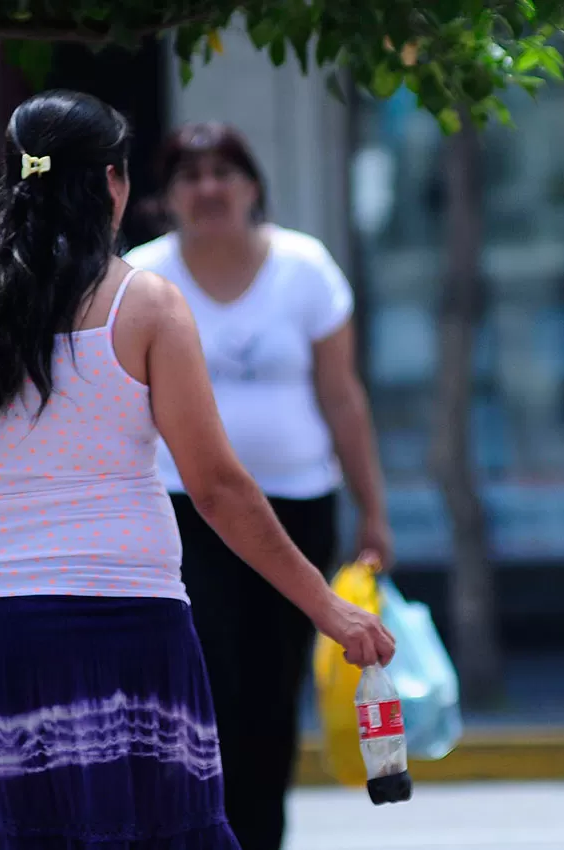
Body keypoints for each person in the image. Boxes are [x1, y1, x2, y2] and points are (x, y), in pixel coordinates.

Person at [0, 90, 394, 849]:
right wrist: (327, 609)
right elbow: (218, 488)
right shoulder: (145, 303)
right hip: (117, 615)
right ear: (112, 184)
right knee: (145, 828)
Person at [123, 122, 392, 849]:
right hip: (182, 515)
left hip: (298, 510)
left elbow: (342, 397)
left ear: (252, 186)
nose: (209, 188)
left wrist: (374, 511)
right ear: (167, 196)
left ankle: (259, 838)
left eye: (224, 172)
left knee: (272, 697)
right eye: (191, 175)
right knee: (208, 689)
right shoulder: (141, 278)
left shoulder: (305, 268)